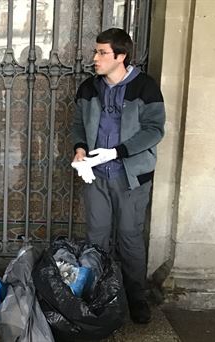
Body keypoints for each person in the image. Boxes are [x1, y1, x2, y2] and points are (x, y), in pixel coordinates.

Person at [71, 28, 165, 324]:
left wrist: (118, 151)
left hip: (131, 178)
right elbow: (77, 124)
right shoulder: (89, 88)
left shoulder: (146, 87)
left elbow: (154, 130)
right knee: (95, 239)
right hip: (95, 177)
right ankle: (96, 296)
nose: (95, 58)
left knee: (129, 238)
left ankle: (137, 298)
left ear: (121, 56)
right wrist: (80, 150)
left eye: (102, 53)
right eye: (95, 51)